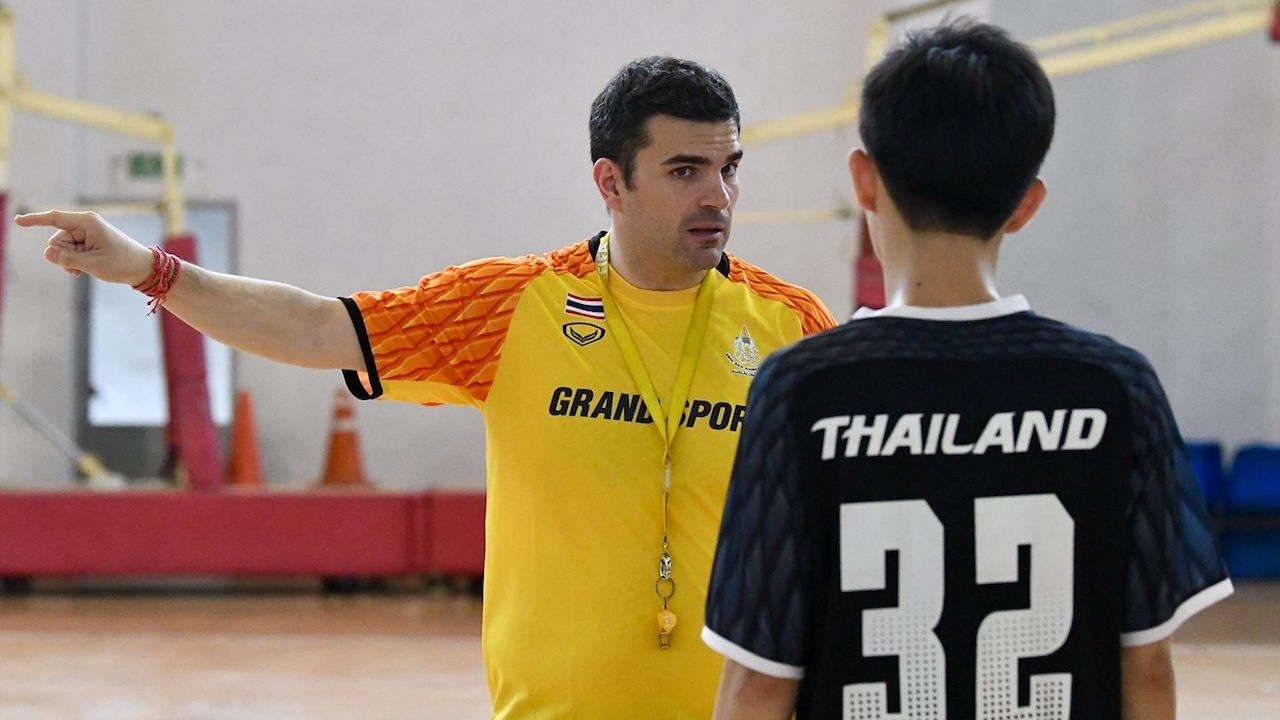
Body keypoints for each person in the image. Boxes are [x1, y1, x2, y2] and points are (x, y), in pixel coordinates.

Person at [17, 55, 835, 718]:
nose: (718, 196)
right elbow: (315, 328)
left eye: (729, 168)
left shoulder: (792, 326)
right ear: (610, 183)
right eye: (686, 170)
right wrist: (150, 270)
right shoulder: (510, 308)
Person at [702, 21, 1232, 720]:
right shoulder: (1115, 387)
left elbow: (759, 685)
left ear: (864, 181)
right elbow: (1148, 672)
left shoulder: (801, 389)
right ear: (1027, 204)